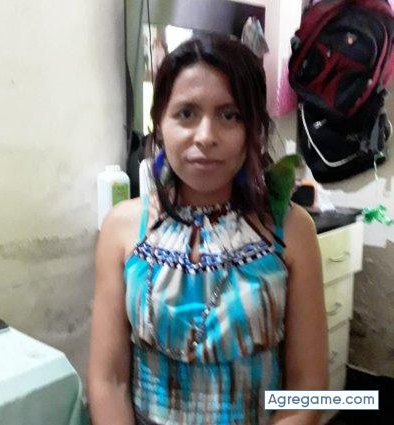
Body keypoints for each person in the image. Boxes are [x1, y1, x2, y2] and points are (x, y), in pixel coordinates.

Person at [87, 34, 328, 425]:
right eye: (186, 113)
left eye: (230, 115)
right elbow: (108, 381)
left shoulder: (292, 230)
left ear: (253, 128)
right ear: (159, 124)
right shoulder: (121, 229)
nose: (206, 137)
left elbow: (308, 388)